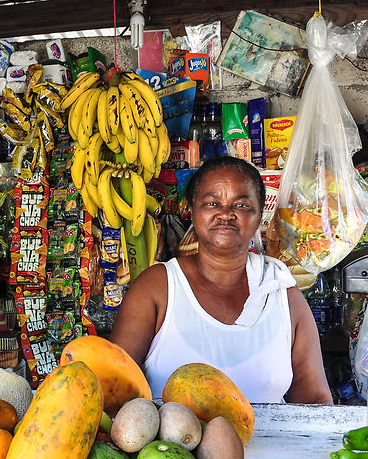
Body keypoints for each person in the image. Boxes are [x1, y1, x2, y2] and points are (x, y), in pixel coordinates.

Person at [110, 156, 332, 404]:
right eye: (212, 203)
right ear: (192, 212)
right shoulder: (157, 288)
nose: (225, 214)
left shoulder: (282, 293)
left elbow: (315, 400)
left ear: (259, 217)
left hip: (271, 442)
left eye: (241, 206)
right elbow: (113, 386)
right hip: (173, 443)